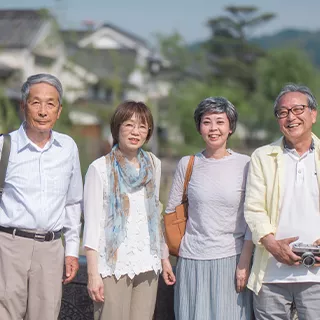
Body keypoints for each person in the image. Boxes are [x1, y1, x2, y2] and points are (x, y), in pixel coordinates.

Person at [162, 97, 254, 320]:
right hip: (192, 260)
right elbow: (170, 213)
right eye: (207, 122)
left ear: (230, 127)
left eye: (220, 122)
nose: (214, 128)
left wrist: (244, 262)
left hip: (231, 260)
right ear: (199, 127)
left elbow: (253, 217)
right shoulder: (188, 163)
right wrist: (165, 258)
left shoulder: (246, 164)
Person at [0, 73, 83, 320]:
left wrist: (71, 250)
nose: (43, 111)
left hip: (50, 249)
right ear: (23, 106)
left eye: (50, 104)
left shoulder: (67, 148)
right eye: (36, 103)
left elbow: (72, 202)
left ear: (59, 110)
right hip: (9, 245)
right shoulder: (5, 146)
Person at [83, 100, 168, 320]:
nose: (135, 132)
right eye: (129, 125)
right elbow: (91, 225)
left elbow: (155, 215)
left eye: (142, 126)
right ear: (117, 128)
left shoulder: (153, 164)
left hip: (148, 262)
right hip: (113, 266)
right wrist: (93, 273)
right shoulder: (99, 168)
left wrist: (164, 258)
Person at [244, 84, 320, 320]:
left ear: (313, 114)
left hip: (316, 276)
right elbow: (254, 208)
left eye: (298, 109)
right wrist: (272, 245)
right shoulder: (262, 156)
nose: (291, 117)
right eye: (283, 112)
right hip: (271, 276)